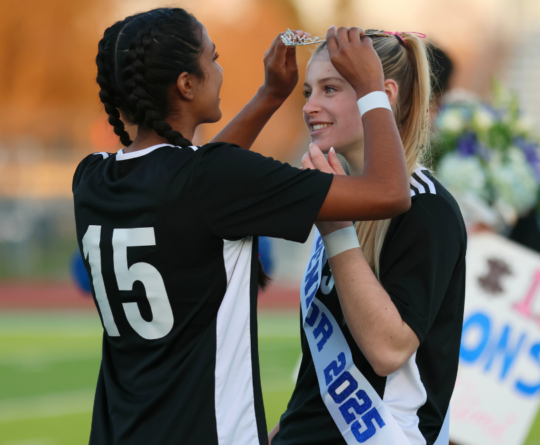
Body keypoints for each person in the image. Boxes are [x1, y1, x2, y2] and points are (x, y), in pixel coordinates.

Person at [75, 8, 412, 444]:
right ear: (186, 84)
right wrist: (370, 89)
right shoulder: (210, 179)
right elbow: (390, 192)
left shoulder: (91, 176)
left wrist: (270, 96)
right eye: (212, 59)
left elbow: (197, 180)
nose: (220, 69)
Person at [269, 31, 466, 445]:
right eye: (308, 91)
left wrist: (338, 232)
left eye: (330, 89)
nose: (309, 106)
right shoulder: (343, 194)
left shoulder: (427, 208)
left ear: (383, 94)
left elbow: (387, 350)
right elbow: (317, 375)